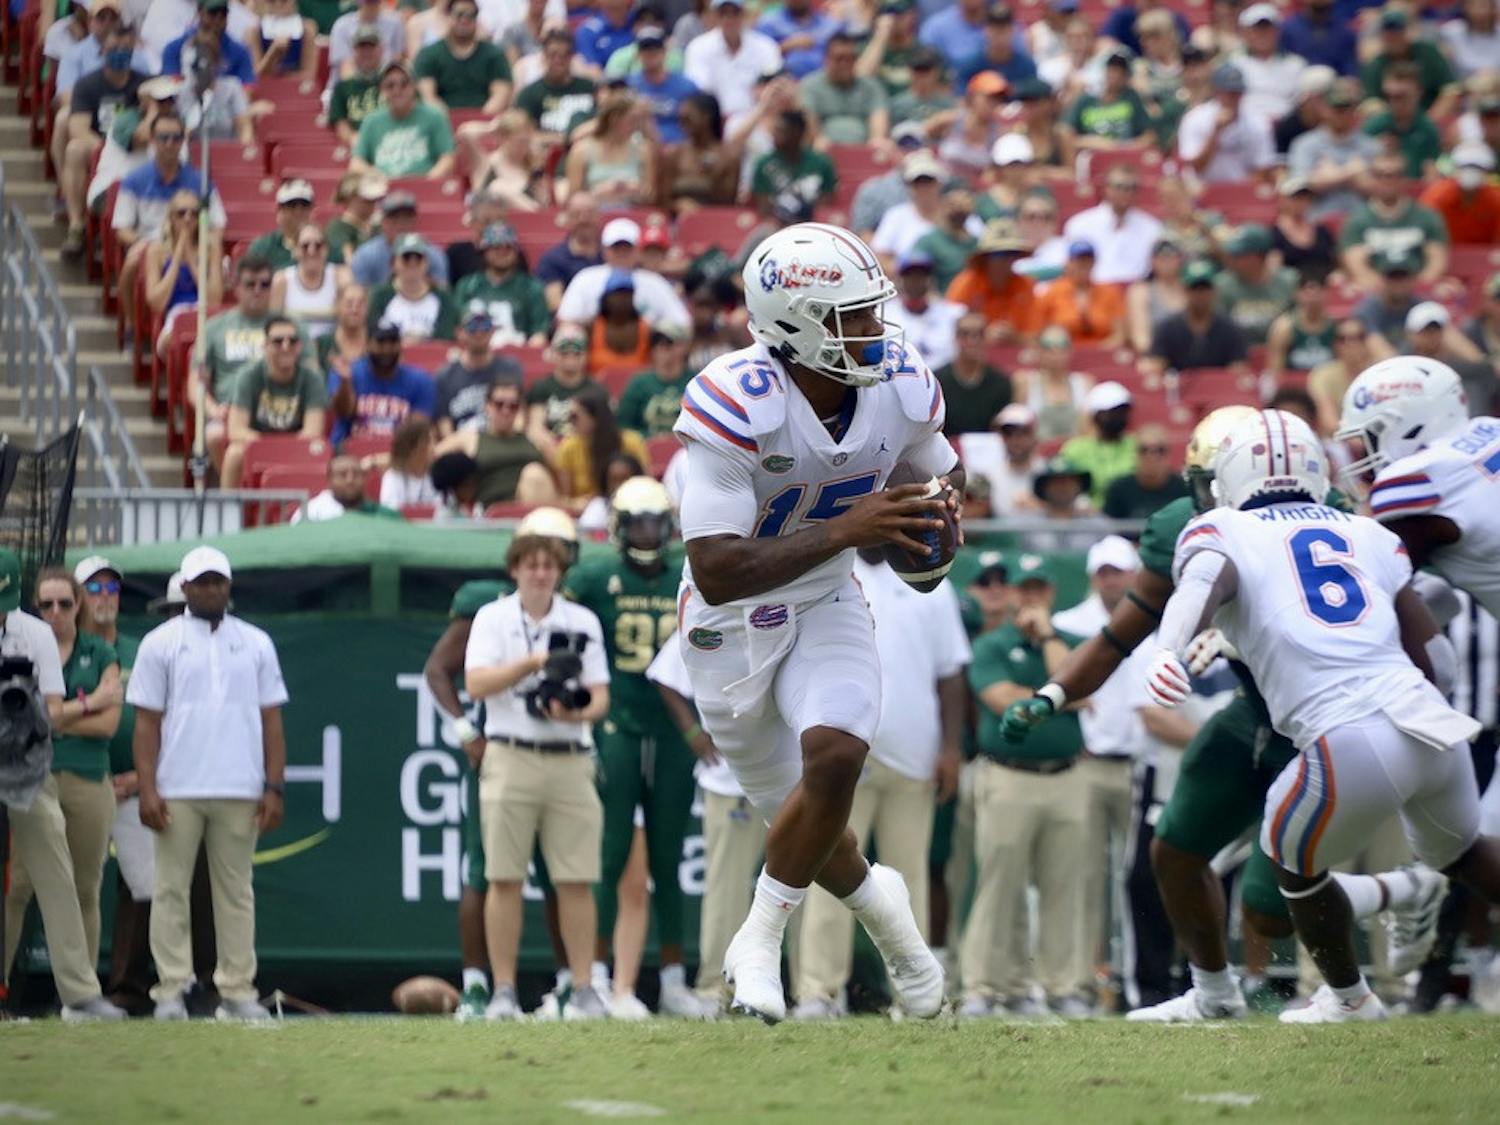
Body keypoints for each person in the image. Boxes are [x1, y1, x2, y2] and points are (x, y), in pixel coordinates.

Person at [998, 408, 1449, 1023]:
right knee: (1173, 848)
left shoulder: (1331, 521)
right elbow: (1118, 636)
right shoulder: (1189, 531)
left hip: (1317, 722)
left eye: (1217, 481)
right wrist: (1051, 695)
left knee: (1269, 909)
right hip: (1250, 713)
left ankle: (1395, 905)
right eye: (1203, 484)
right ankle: (1213, 993)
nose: (1210, 498)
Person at [672, 221, 958, 1023]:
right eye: (853, 317)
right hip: (727, 629)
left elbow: (936, 476)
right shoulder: (736, 402)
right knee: (808, 827)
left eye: (872, 312)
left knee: (834, 760)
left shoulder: (899, 382)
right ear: (796, 325)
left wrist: (934, 523)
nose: (874, 332)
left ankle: (759, 940)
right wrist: (848, 526)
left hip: (829, 599)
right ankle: (895, 929)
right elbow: (716, 569)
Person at [1147, 408, 1497, 1023]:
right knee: (1469, 856)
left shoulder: (1222, 529)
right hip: (1432, 726)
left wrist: (1167, 649)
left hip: (1349, 736)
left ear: (1229, 476)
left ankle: (1349, 998)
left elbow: (1200, 584)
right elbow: (1436, 659)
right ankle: (1398, 900)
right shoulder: (1366, 531)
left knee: (1289, 861)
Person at [794, 547, 969, 1019]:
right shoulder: (829, 576)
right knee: (828, 873)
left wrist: (951, 748)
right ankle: (818, 993)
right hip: (840, 757)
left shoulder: (932, 585)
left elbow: (951, 674)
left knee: (909, 878)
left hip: (913, 757)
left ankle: (912, 997)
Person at [558, 478, 707, 1017]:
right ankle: (592, 976)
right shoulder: (594, 577)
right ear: (619, 527)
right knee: (611, 851)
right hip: (617, 724)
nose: (648, 533)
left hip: (673, 729)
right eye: (637, 522)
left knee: (668, 858)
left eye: (655, 521)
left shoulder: (686, 573)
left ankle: (671, 979)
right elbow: (564, 631)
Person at [129, 545, 288, 1021]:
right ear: (185, 587)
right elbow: (146, 725)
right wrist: (149, 788)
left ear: (229, 586)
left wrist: (273, 787)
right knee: (170, 889)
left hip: (240, 786)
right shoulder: (159, 643)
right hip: (177, 786)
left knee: (236, 891)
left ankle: (237, 990)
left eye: (219, 580)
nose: (212, 588)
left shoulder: (257, 643)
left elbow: (272, 722)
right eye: (202, 581)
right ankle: (172, 990)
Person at [463, 522, 613, 1020]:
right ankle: (504, 989)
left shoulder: (583, 621)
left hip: (569, 755)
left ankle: (585, 987)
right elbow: (477, 682)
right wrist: (534, 662)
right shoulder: (491, 618)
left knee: (576, 879)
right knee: (503, 877)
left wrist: (573, 711)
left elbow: (599, 697)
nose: (541, 573)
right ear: (515, 569)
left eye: (549, 565)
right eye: (532, 564)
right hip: (510, 752)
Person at [960, 554, 1089, 1017]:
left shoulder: (1072, 642)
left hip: (1066, 775)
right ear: (1012, 594)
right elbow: (998, 698)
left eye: (1040, 589)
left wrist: (1050, 638)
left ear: (1051, 595)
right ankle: (983, 986)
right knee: (999, 885)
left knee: (1063, 888)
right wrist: (1056, 699)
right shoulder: (993, 645)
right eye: (1024, 589)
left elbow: (1081, 689)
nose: (1032, 597)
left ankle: (1061, 987)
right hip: (1008, 774)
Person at [0, 550, 124, 1021]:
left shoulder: (33, 635)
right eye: (44, 604)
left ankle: (79, 991)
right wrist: (88, 705)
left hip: (28, 768)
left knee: (58, 872)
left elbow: (50, 711)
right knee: (15, 888)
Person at [59, 20, 148, 257]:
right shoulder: (88, 85)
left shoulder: (145, 84)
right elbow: (78, 128)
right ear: (102, 51)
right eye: (115, 48)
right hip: (100, 146)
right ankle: (77, 225)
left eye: (126, 49)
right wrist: (107, 150)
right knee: (74, 149)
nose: (121, 53)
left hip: (136, 149)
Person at [221, 316, 328, 488]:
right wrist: (270, 446)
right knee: (234, 453)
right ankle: (228, 512)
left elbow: (313, 431)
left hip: (297, 447)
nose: (286, 347)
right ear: (265, 346)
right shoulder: (248, 376)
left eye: (292, 341)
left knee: (318, 448)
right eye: (278, 341)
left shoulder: (312, 378)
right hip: (259, 444)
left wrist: (283, 448)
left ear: (299, 346)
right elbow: (236, 430)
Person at [192, 255, 279, 462]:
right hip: (229, 411)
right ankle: (234, 490)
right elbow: (196, 380)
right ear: (237, 287)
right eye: (250, 284)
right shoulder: (213, 328)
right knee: (214, 436)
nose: (257, 290)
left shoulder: (286, 327)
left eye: (264, 284)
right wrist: (213, 409)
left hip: (277, 412)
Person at [433, 378, 558, 507]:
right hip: (489, 514)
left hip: (532, 511)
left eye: (513, 406)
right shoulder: (469, 439)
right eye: (499, 404)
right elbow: (431, 457)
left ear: (520, 408)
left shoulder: (534, 439)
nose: (506, 411)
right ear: (487, 406)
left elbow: (562, 474)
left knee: (534, 474)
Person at [327, 320, 438, 444]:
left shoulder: (421, 381)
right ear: (368, 345)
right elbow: (344, 411)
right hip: (351, 448)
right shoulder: (348, 372)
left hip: (398, 453)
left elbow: (417, 432)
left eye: (393, 342)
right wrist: (345, 382)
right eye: (381, 342)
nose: (387, 349)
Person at [143, 188, 224, 359]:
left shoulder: (211, 248)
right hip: (176, 315)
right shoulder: (156, 250)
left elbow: (214, 300)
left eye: (194, 213)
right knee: (174, 338)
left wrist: (192, 263)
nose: (188, 218)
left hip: (205, 312)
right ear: (171, 217)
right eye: (181, 213)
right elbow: (156, 302)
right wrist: (177, 258)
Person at [1287, 78, 1381, 220]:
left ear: (1354, 109)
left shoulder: (1371, 146)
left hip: (1362, 224)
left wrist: (1328, 177)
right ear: (1323, 108)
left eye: (1345, 108)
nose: (1340, 114)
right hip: (1317, 224)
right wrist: (1350, 174)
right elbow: (1298, 188)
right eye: (1335, 108)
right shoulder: (1305, 144)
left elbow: (1383, 190)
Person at [350, 60, 457, 180]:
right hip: (382, 190)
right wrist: (376, 177)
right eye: (390, 86)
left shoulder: (434, 116)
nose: (397, 91)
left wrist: (427, 182)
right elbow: (356, 164)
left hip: (424, 187)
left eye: (404, 84)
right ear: (381, 90)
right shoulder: (371, 121)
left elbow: (448, 159)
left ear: (414, 86)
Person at [1144, 259, 1249, 378]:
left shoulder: (1231, 328)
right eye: (1194, 288)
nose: (1200, 294)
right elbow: (1157, 367)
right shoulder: (1167, 328)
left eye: (1205, 288)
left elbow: (1237, 369)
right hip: (1179, 391)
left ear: (1214, 291)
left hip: (1219, 391)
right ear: (1184, 290)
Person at [683, 0, 782, 123]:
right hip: (715, 125)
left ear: (744, 14)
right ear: (714, 16)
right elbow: (700, 91)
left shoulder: (766, 46)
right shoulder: (698, 47)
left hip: (760, 121)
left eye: (735, 13)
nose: (729, 19)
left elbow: (775, 89)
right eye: (723, 13)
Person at [1061, 169, 1164, 287]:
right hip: (1094, 291)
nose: (1125, 192)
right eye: (1119, 187)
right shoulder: (1080, 224)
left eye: (1131, 188)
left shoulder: (1152, 227)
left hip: (1136, 293)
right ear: (1106, 189)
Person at [1177, 64, 1276, 185]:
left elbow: (1262, 168)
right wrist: (1216, 131)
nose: (1233, 98)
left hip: (1241, 189)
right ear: (1216, 92)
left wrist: (1235, 192)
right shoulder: (1194, 118)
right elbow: (1195, 167)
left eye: (1237, 93)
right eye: (1228, 92)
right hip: (1201, 188)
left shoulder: (1257, 122)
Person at [434, 303, 524, 435]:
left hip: (501, 443)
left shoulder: (510, 368)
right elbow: (444, 426)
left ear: (493, 331)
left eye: (485, 325)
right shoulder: (445, 375)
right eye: (472, 326)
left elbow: (519, 417)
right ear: (459, 332)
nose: (479, 332)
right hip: (461, 447)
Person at [1397, 304, 1499, 419]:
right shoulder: (1400, 370)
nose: (1431, 336)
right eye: (1425, 331)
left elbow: (1487, 372)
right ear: (1410, 334)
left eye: (1435, 330)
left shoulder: (1465, 370)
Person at [555, 383, 651, 506]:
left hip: (631, 506)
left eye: (574, 416)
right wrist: (576, 503)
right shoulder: (567, 448)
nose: (570, 421)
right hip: (586, 513)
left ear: (595, 418)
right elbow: (565, 498)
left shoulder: (632, 442)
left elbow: (647, 484)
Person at [946, 220, 1040, 344]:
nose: (1007, 260)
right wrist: (981, 334)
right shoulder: (965, 284)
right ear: (985, 258)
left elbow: (1037, 336)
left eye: (1012, 253)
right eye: (999, 254)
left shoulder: (1026, 286)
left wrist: (1015, 337)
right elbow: (948, 333)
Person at [415, 0, 512, 116]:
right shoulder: (428, 54)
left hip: (485, 123)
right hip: (440, 121)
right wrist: (448, 120)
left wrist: (479, 121)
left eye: (471, 15)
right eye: (459, 14)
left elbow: (501, 95)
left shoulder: (494, 54)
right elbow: (428, 97)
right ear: (448, 17)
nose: (465, 20)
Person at [1362, 6, 1460, 116]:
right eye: (1388, 31)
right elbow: (1371, 103)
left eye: (1397, 30)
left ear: (1407, 31)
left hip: (1432, 116)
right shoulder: (1375, 65)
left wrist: (1429, 122)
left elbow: (1451, 89)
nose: (1393, 35)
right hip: (1391, 123)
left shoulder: (1428, 52)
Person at [1212, 224, 1296, 347]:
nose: (1231, 259)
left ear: (1259, 256)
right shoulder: (1221, 285)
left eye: (1238, 255)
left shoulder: (1290, 282)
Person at [801, 31, 890, 147]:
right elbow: (810, 126)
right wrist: (818, 140)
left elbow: (879, 122)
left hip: (864, 150)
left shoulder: (871, 87)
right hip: (825, 150)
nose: (845, 64)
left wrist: (877, 139)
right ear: (826, 60)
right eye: (839, 59)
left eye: (850, 59)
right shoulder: (810, 86)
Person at [350, 192, 451, 290]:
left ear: (414, 220)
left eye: (406, 218)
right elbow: (359, 292)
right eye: (394, 218)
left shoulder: (431, 253)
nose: (400, 224)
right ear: (383, 221)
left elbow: (442, 292)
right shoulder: (367, 254)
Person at [934, 311, 1012, 436]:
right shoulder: (937, 381)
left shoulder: (1001, 382)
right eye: (965, 334)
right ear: (955, 338)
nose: (972, 341)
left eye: (978, 335)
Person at [513, 27, 599, 141]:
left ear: (571, 57)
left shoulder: (589, 88)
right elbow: (521, 132)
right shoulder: (529, 94)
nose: (558, 60)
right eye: (552, 55)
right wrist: (562, 139)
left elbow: (602, 123)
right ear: (543, 56)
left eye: (564, 55)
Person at [1034, 242, 1125, 347]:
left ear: (1094, 263)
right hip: (1062, 353)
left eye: (1088, 260)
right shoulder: (1053, 291)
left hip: (1102, 352)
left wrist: (1099, 350)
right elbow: (1037, 330)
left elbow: (1120, 334)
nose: (1083, 265)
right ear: (1068, 263)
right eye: (1078, 260)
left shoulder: (1109, 293)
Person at [1062, 381, 1138, 506]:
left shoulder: (1137, 446)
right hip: (1087, 519)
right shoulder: (1075, 449)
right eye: (1113, 412)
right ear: (1097, 415)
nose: (1119, 416)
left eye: (1123, 411)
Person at [1363, 63, 1443, 180]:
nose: (1395, 102)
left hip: (1415, 191)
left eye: (1401, 96)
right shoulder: (1374, 127)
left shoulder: (1428, 129)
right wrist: (1375, 150)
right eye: (1390, 96)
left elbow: (1432, 171)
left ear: (1418, 93)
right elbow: (1361, 168)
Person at [750, 109, 837, 216]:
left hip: (811, 224)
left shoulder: (822, 163)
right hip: (777, 224)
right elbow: (764, 209)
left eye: (780, 131)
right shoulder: (764, 164)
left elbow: (825, 204)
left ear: (797, 133)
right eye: (775, 130)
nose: (774, 135)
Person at [1062, 48, 1153, 150]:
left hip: (1124, 156)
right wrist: (1089, 142)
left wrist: (1119, 147)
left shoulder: (1131, 98)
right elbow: (1065, 132)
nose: (1115, 75)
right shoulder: (1086, 100)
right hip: (1091, 154)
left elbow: (1149, 136)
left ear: (1127, 76)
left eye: (1121, 72)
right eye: (1111, 69)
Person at [271, 224, 349, 341]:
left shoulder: (340, 277)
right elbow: (272, 327)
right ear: (295, 250)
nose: (311, 251)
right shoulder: (282, 281)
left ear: (326, 249)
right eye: (305, 246)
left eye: (318, 245)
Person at [616, 324, 693, 438]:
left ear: (684, 347)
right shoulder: (639, 384)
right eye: (657, 343)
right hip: (646, 449)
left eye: (670, 343)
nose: (663, 348)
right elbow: (624, 427)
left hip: (686, 451)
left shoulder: (695, 382)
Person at [1419, 142, 1500, 246]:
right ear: (1456, 167)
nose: (1471, 171)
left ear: (1487, 171)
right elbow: (1423, 231)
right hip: (1445, 254)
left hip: (1483, 258)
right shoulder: (1437, 196)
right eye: (1465, 166)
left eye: (1477, 167)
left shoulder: (1495, 200)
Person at [1102, 425, 1188, 518]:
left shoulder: (1185, 489)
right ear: (1135, 454)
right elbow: (1107, 527)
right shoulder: (1118, 489)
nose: (1151, 457)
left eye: (1160, 450)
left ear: (1169, 454)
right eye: (1144, 450)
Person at [293, 453, 403, 522]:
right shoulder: (311, 512)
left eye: (356, 474)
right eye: (342, 474)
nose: (350, 480)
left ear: (364, 479)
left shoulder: (384, 515)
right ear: (329, 481)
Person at [1266, 270, 1337, 376]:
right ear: (1297, 293)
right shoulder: (1283, 328)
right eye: (1307, 293)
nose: (1312, 298)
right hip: (1293, 389)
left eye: (1317, 292)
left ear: (1325, 293)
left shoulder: (1335, 327)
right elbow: (1275, 370)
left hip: (1325, 385)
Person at [1126, 239, 1186, 355]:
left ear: (1180, 260)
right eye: (1162, 259)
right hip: (1156, 356)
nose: (1167, 263)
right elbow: (1141, 339)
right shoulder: (1140, 291)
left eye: (1172, 258)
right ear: (1152, 261)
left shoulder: (1190, 290)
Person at [1272, 177, 1337, 276]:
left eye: (1306, 197)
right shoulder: (1273, 235)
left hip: (1322, 285)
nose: (1301, 202)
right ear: (1283, 199)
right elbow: (1274, 271)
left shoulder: (1322, 231)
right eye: (1296, 197)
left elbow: (1335, 262)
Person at [250, 0, 317, 81]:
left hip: (294, 89)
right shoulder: (254, 31)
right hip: (266, 89)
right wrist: (273, 53)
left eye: (284, 1)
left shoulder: (307, 30)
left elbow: (309, 75)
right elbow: (254, 76)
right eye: (272, 1)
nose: (278, 4)